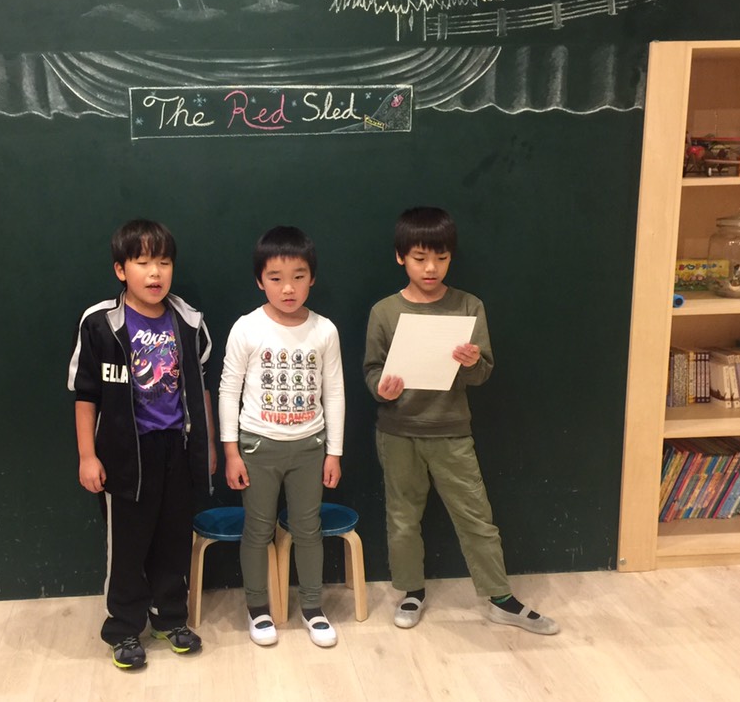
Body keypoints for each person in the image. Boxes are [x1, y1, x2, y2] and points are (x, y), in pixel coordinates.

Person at [363, 206, 559, 635]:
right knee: (402, 518)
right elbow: (372, 371)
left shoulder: (468, 305)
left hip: (451, 430)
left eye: (441, 258)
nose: (431, 268)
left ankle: (500, 598)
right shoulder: (385, 311)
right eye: (419, 258)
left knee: (476, 517)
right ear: (400, 257)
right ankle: (411, 591)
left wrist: (471, 363)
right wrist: (383, 388)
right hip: (398, 432)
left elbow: (482, 373)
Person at [68, 218, 216, 670]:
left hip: (177, 449)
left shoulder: (189, 321)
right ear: (121, 270)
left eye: (164, 262)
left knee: (174, 539)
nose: (155, 273)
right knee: (128, 547)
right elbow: (85, 395)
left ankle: (170, 618)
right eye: (143, 262)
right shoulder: (100, 324)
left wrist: (207, 445)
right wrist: (87, 456)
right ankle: (124, 628)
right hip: (124, 456)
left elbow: (201, 388)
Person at [219, 226, 345, 648]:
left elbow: (334, 392)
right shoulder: (247, 328)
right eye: (276, 278)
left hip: (310, 447)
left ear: (312, 278)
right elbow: (228, 390)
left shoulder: (324, 330)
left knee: (309, 529)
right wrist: (231, 452)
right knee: (258, 530)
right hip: (258, 446)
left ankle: (313, 607)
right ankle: (258, 609)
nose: (287, 288)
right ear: (260, 280)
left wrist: (334, 452)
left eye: (298, 276)